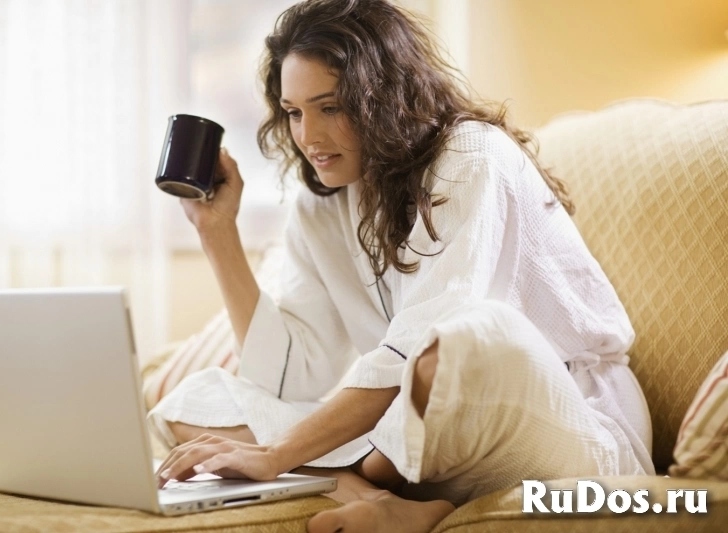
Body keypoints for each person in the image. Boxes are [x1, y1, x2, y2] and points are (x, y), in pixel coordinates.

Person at [148, 1, 654, 531]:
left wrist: (278, 454)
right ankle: (377, 495)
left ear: (382, 98)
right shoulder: (322, 201)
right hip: (416, 430)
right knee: (193, 400)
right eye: (294, 112)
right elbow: (292, 376)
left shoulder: (472, 155)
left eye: (330, 107)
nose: (309, 137)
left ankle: (366, 468)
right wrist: (217, 233)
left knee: (462, 341)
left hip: (559, 419)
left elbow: (421, 349)